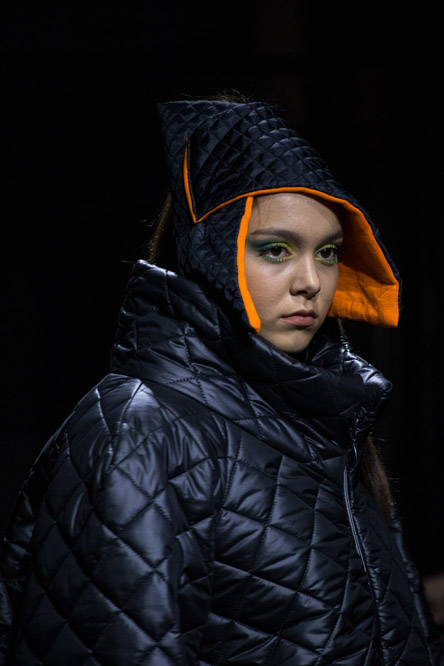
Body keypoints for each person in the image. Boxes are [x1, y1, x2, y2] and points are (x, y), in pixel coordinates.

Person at [0, 94, 442, 666]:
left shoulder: (332, 426)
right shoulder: (143, 431)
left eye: (328, 253)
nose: (311, 281)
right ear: (212, 254)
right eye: (276, 250)